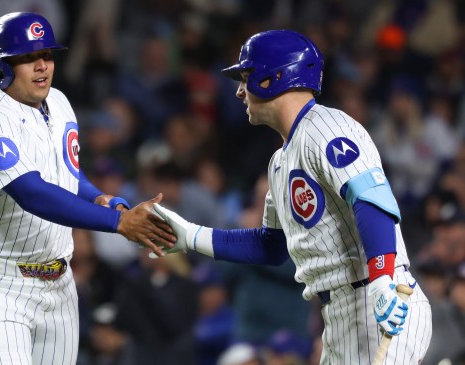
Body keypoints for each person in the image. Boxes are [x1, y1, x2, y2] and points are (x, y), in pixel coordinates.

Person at [151, 30, 432, 363]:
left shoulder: (327, 126)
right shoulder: (280, 162)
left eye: (246, 77)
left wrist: (382, 281)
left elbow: (371, 200)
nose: (240, 91)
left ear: (274, 77)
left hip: (379, 298)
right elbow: (270, 246)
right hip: (342, 314)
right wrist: (191, 235)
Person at [0, 12, 175, 365]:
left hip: (57, 282)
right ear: (0, 66)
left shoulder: (59, 103)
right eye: (28, 58)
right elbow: (32, 192)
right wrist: (118, 224)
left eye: (46, 55)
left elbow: (65, 174)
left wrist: (101, 199)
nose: (42, 66)